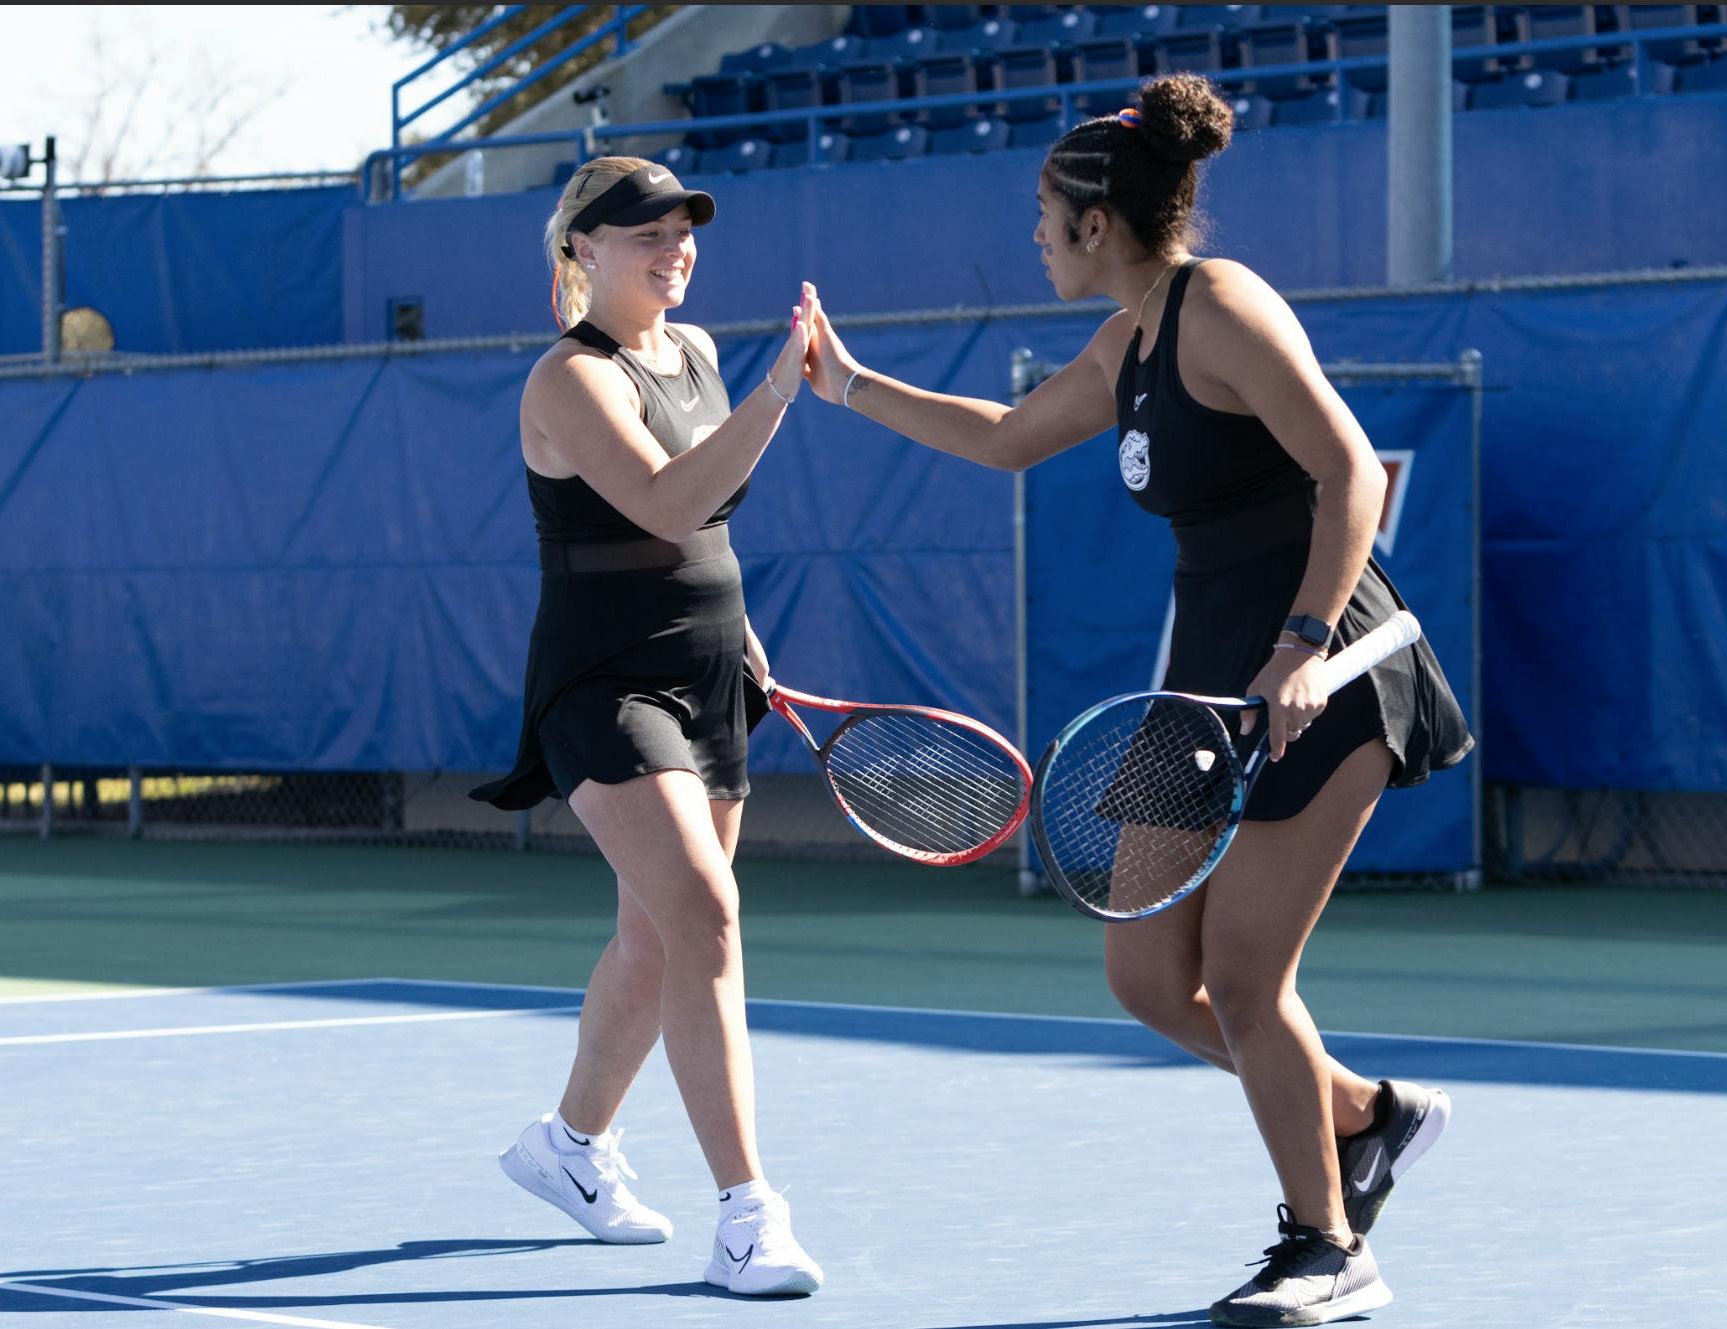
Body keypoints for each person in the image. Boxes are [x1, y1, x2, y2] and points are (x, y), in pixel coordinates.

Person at [797, 76, 1471, 1328]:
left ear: (1095, 222)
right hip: (1204, 687)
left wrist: (1305, 647)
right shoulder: (1132, 335)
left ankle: (1327, 1245)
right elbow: (1005, 433)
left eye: (1042, 218)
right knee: (1148, 975)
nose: (1035, 238)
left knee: (1247, 976)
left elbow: (1347, 472)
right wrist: (843, 384)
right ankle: (1367, 1118)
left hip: (1320, 674)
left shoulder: (1220, 308)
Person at [469, 156, 823, 1297]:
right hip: (604, 682)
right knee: (707, 913)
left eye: (682, 230)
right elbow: (668, 499)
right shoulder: (569, 379)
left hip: (711, 664)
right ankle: (748, 1215)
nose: (674, 249)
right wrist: (781, 394)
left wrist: (744, 628)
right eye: (642, 234)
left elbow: (700, 529)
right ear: (580, 251)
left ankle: (567, 1149)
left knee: (658, 936)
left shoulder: (700, 350)